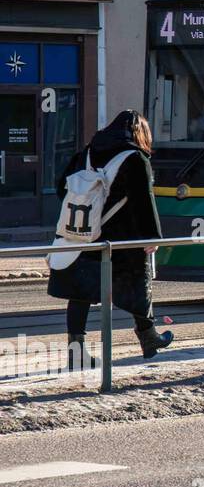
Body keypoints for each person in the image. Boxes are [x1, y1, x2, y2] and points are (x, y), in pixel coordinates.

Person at [48, 110, 173, 368]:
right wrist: (152, 236)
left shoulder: (88, 153)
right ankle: (148, 338)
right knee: (138, 284)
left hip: (83, 235)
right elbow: (143, 201)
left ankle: (76, 351)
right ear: (139, 133)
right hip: (121, 239)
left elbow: (62, 186)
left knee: (80, 293)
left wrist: (92, 210)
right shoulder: (135, 158)